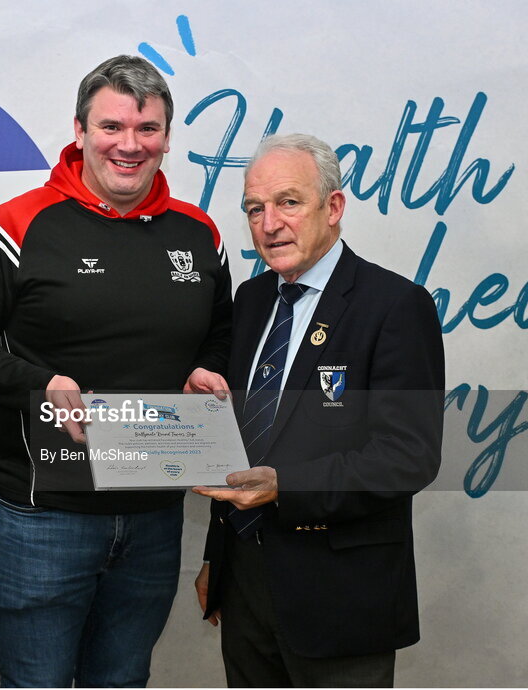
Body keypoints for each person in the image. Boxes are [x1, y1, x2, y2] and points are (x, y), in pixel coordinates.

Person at [0, 55, 231, 687]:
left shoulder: (201, 233)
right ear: (79, 130)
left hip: (155, 515)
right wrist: (39, 385)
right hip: (47, 515)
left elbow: (222, 336)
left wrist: (209, 369)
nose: (130, 144)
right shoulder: (20, 223)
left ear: (168, 138)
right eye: (112, 126)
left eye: (147, 129)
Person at [193, 133, 444, 687]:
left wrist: (286, 485)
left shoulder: (396, 306)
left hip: (341, 600)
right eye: (254, 209)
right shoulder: (252, 302)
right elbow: (244, 441)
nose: (269, 223)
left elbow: (409, 458)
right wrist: (218, 558)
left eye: (288, 202)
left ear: (333, 207)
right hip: (247, 588)